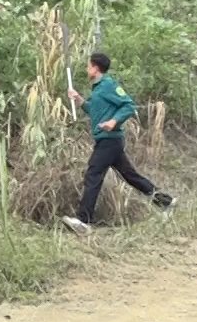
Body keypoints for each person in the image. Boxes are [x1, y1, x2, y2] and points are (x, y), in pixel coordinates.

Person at [62, 52, 174, 235]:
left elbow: (128, 105)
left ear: (95, 67)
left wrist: (113, 122)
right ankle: (166, 202)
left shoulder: (108, 85)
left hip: (109, 140)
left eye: (88, 66)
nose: (86, 69)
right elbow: (94, 110)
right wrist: (79, 100)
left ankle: (83, 221)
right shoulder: (98, 90)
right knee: (130, 176)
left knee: (93, 174)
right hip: (108, 141)